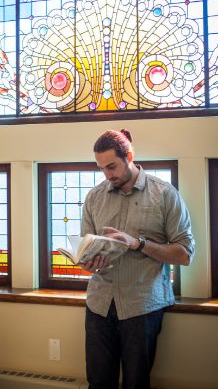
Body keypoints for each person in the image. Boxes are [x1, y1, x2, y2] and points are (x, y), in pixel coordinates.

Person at [80, 129, 195, 389]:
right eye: (101, 169)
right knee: (98, 383)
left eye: (112, 166)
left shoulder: (165, 194)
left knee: (136, 384)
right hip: (98, 305)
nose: (108, 175)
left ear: (129, 156)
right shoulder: (94, 197)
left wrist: (137, 243)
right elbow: (86, 246)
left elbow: (185, 254)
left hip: (142, 306)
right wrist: (88, 262)